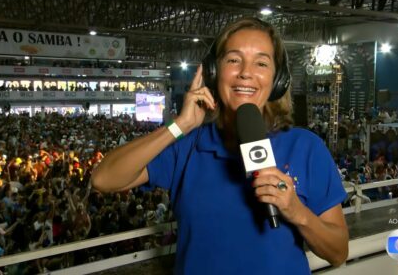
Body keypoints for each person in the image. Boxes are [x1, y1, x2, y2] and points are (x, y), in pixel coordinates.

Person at [92, 17, 348, 274]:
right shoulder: (189, 146)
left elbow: (338, 253)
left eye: (261, 63)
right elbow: (104, 179)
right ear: (213, 72)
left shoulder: (306, 147)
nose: (246, 72)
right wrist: (180, 125)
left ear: (277, 79)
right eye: (233, 60)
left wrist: (297, 212)